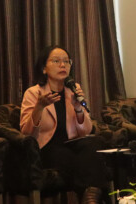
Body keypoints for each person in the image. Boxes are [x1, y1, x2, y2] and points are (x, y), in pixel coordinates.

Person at [20, 45, 108, 203]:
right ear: (44, 68)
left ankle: (90, 198)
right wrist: (39, 107)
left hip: (72, 143)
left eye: (67, 62)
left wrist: (78, 109)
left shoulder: (73, 90)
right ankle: (92, 197)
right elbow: (27, 134)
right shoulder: (33, 93)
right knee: (83, 161)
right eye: (56, 61)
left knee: (96, 142)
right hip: (47, 148)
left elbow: (86, 131)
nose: (63, 65)